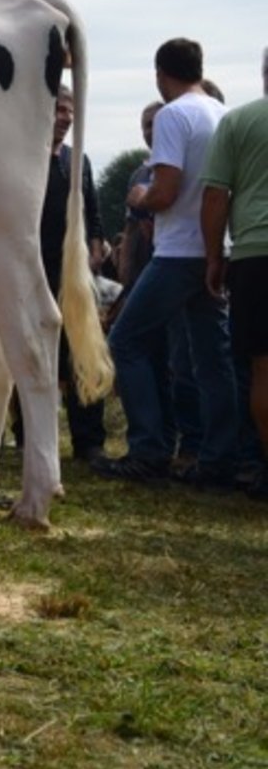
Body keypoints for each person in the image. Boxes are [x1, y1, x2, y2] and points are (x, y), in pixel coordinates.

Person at [95, 38, 239, 487]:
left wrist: (140, 196)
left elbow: (166, 189)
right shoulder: (220, 113)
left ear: (161, 74)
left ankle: (149, 449)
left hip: (177, 250)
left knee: (126, 340)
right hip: (216, 249)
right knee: (212, 359)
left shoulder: (173, 116)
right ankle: (218, 458)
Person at [12, 86, 108, 461]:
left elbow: (92, 207)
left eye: (69, 111)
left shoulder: (77, 159)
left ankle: (89, 440)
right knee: (32, 352)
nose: (66, 117)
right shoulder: (20, 155)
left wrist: (97, 240)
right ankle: (29, 435)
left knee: (81, 352)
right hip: (32, 269)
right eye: (58, 110)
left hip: (74, 274)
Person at [201, 46, 268, 498]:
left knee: (262, 369)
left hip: (255, 253)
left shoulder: (239, 121)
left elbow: (215, 196)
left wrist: (213, 257)